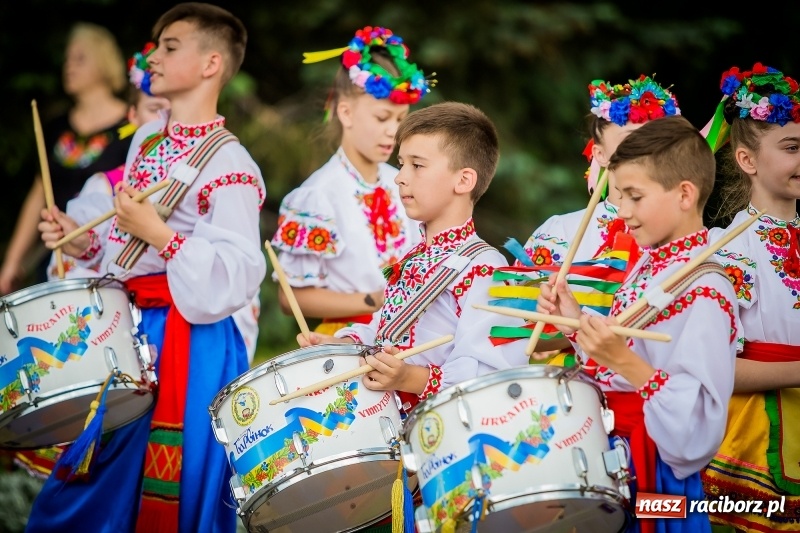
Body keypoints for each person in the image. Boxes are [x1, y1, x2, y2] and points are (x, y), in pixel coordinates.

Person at [29, 4, 265, 533]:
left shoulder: (231, 164)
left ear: (210, 64)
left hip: (191, 338)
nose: (153, 57)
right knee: (95, 469)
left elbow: (238, 271)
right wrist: (85, 239)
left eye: (169, 47)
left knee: (177, 475)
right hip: (132, 327)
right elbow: (126, 243)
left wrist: (162, 235)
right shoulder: (147, 139)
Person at [538, 115, 738, 533]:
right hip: (621, 458)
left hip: (660, 477)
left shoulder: (706, 286)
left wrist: (622, 360)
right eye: (620, 195)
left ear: (685, 194)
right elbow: (621, 361)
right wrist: (576, 324)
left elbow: (698, 423)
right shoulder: (652, 265)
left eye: (635, 197)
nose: (623, 211)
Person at [300, 101, 528, 411]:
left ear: (464, 180)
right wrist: (340, 345)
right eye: (401, 163)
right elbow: (385, 332)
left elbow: (492, 377)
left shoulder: (485, 267)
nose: (400, 177)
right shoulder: (414, 256)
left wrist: (410, 378)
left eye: (417, 166)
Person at [271, 26, 428, 335]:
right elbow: (290, 299)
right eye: (382, 118)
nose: (393, 132)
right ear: (345, 113)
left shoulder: (401, 180)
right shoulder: (318, 195)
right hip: (348, 338)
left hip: (411, 335)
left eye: (400, 119)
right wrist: (375, 300)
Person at [510, 75, 680, 361]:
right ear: (600, 154)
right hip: (574, 384)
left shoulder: (683, 234)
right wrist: (563, 328)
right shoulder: (560, 232)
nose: (646, 150)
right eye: (631, 140)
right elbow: (515, 332)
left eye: (657, 140)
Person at [700, 63, 800, 532]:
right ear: (747, 160)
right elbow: (716, 367)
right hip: (753, 438)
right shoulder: (727, 249)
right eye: (792, 148)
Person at [0, 22, 131, 294]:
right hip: (57, 255)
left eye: (80, 58)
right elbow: (39, 193)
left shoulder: (131, 124)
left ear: (103, 62)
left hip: (110, 260)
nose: (69, 66)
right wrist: (12, 261)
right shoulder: (57, 126)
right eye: (67, 59)